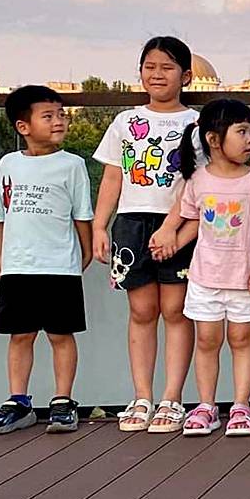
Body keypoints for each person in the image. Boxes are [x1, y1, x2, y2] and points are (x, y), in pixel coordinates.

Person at [90, 36, 199, 435]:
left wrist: (172, 228)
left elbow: (198, 183)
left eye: (167, 67)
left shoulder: (196, 124)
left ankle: (172, 397)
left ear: (186, 76)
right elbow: (112, 177)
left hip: (178, 223)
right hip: (131, 222)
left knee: (175, 310)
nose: (157, 74)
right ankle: (141, 396)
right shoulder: (125, 121)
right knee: (141, 311)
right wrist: (100, 226)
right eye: (150, 67)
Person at [152, 98, 250, 436]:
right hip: (205, 277)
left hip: (244, 278)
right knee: (207, 340)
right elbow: (192, 220)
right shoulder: (198, 180)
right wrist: (170, 242)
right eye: (242, 132)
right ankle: (206, 405)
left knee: (241, 339)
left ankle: (241, 405)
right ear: (213, 139)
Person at [0, 85, 94, 434]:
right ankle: (18, 401)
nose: (59, 121)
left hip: (59, 266)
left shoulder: (72, 165)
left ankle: (63, 400)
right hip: (18, 266)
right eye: (48, 116)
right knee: (21, 334)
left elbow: (82, 214)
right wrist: (1, 255)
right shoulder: (8, 164)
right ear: (23, 126)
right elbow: (2, 214)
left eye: (61, 114)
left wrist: (85, 251)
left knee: (61, 334)